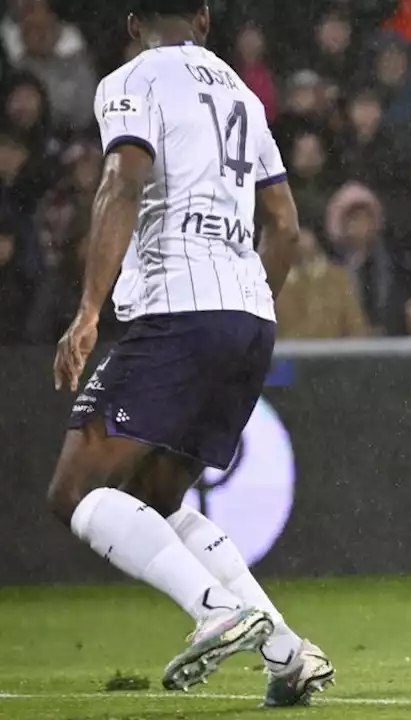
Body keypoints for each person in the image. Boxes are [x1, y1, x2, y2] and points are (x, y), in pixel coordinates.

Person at [46, 0, 334, 703]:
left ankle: (214, 611)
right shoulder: (242, 92)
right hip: (248, 315)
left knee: (78, 491)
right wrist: (245, 307)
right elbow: (288, 228)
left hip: (176, 308)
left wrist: (88, 309)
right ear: (204, 19)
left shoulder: (131, 80)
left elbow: (123, 180)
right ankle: (284, 651)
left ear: (132, 22)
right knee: (156, 497)